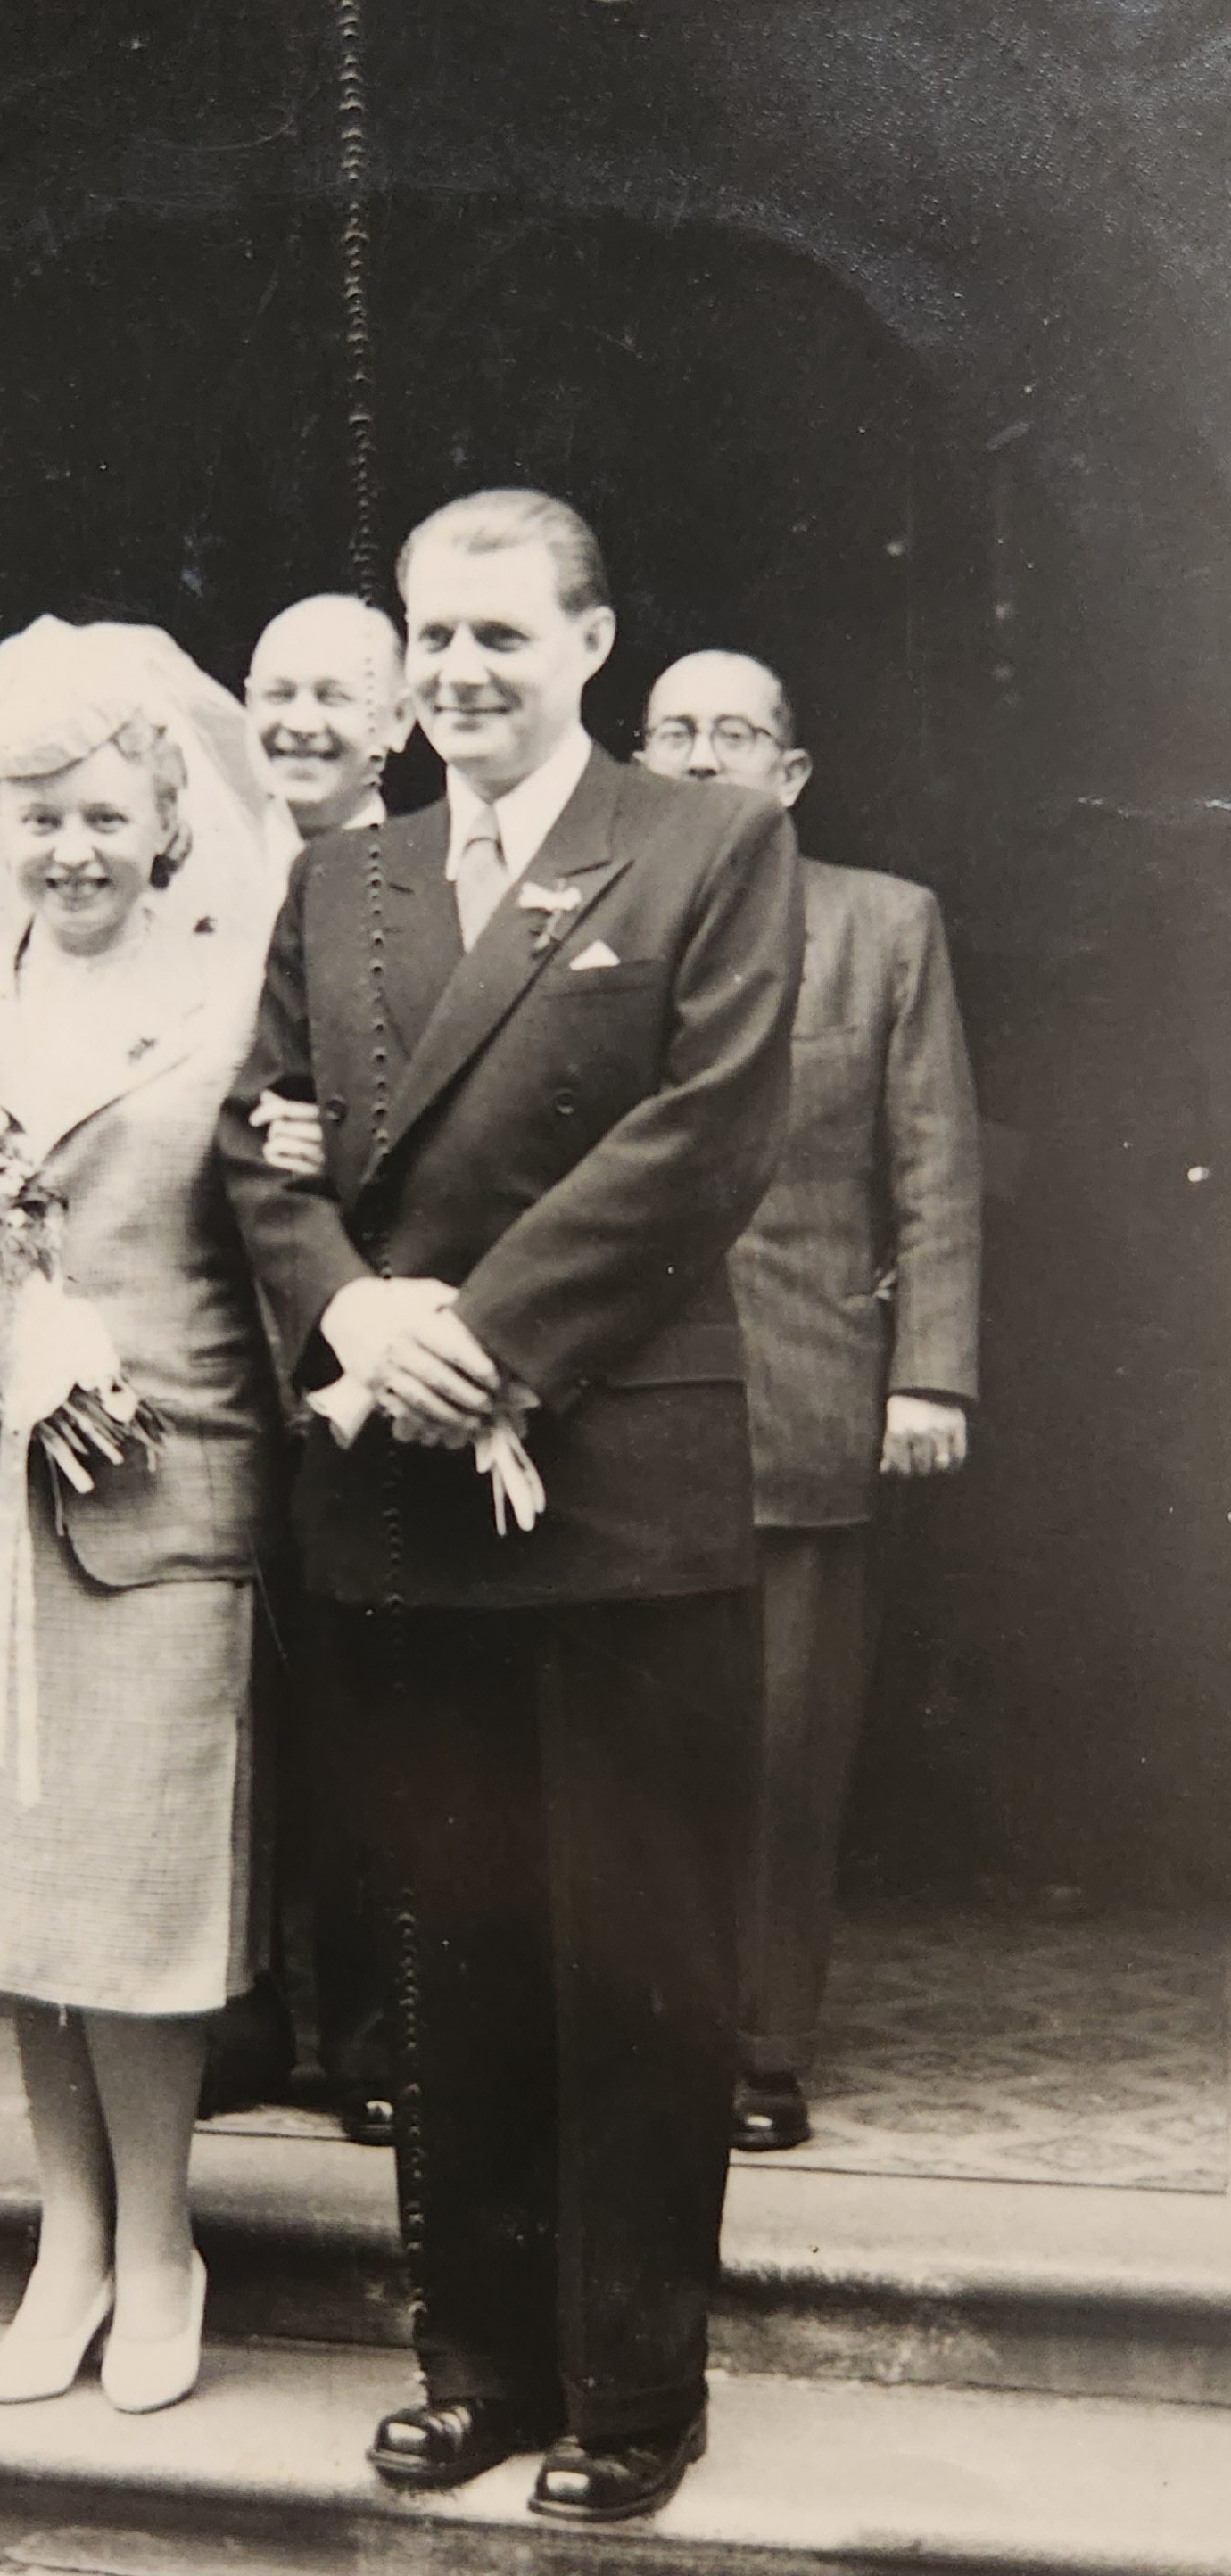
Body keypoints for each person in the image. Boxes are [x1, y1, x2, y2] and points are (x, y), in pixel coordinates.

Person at [219, 492, 803, 2524]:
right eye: (433, 638)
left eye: (500, 635)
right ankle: (476, 2362)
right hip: (404, 1476)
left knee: (636, 1950)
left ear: (590, 644)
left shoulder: (703, 843)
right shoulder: (344, 875)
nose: (459, 671)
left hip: (615, 1477)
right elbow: (265, 1141)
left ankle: (635, 2383)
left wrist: (481, 1332)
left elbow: (706, 1133)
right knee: (448, 1941)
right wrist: (351, 1310)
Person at [0, 616, 287, 2416]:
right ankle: (67, 2239)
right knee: (18, 1887)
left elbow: (271, 1246)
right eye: (40, 819)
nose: (71, 850)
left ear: (166, 822)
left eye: (102, 816)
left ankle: (163, 2243)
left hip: (159, 1486)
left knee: (135, 1891)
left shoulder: (232, 994)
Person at [638, 649, 982, 2152]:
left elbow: (933, 1161)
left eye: (735, 733)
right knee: (626, 1749)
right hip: (612, 1409)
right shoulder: (581, 923)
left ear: (788, 774)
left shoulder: (882, 923)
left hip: (803, 1397)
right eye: (673, 731)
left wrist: (929, 1373)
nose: (701, 755)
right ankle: (632, 2037)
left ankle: (757, 2050)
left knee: (780, 1745)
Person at [235, 591, 416, 2149]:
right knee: (218, 1696)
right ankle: (233, 2016)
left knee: (368, 1712)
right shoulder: (189, 869)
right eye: (271, 689)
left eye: (333, 696)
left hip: (354, 1340)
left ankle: (374, 2034)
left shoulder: (421, 879)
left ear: (394, 727)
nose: (297, 720)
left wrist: (328, 1140)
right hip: (196, 1335)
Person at [244, 591, 415, 851]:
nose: (300, 723)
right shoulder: (195, 862)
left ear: (399, 719)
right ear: (249, 704)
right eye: (280, 695)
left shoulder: (441, 869)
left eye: (333, 698)